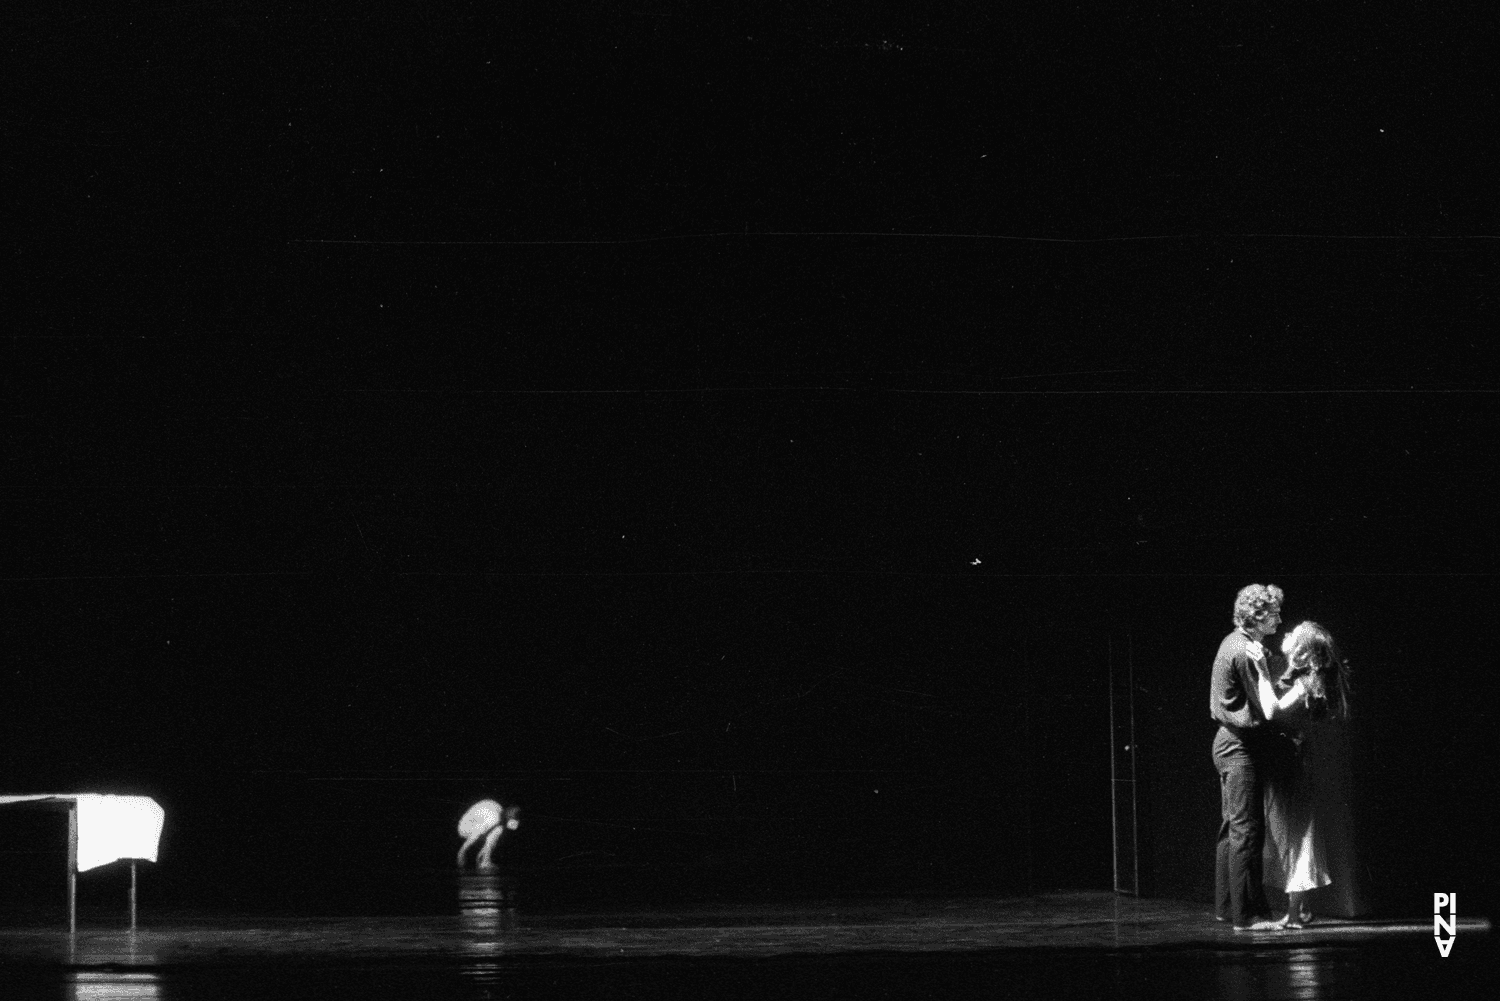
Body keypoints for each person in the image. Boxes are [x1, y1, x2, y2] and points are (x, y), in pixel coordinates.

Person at [1255, 620, 1358, 927]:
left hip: (1291, 766)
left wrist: (1261, 673)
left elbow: (1273, 711)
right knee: (1293, 833)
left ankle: (1296, 911)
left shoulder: (1305, 684)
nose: (1286, 634)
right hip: (1290, 763)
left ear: (1303, 650)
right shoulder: (1300, 676)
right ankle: (1299, 908)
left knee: (1295, 834)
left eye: (1293, 634)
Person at [1210, 583, 1292, 931]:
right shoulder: (1244, 650)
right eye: (1274, 613)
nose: (1278, 618)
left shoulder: (1237, 642)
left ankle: (1228, 908)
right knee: (1247, 831)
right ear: (1257, 616)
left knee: (1234, 829)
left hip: (1231, 744)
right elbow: (1267, 707)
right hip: (1239, 746)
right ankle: (1248, 916)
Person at [457, 799, 521, 869]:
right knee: (497, 831)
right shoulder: (494, 817)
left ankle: (484, 860)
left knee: (498, 830)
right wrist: (462, 852)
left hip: (475, 824)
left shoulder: (499, 814)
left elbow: (490, 838)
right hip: (465, 827)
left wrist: (483, 852)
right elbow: (476, 833)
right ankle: (485, 861)